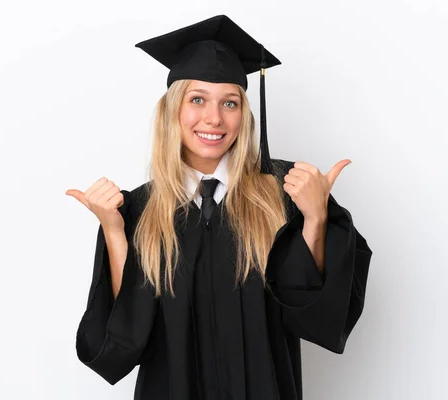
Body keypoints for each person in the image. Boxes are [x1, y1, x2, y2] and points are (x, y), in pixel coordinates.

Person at [66, 15, 372, 400]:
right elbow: (122, 346)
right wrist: (113, 229)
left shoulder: (284, 193)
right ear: (172, 110)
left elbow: (316, 320)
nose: (214, 118)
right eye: (197, 100)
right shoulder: (139, 210)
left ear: (244, 114)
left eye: (230, 102)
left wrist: (315, 218)